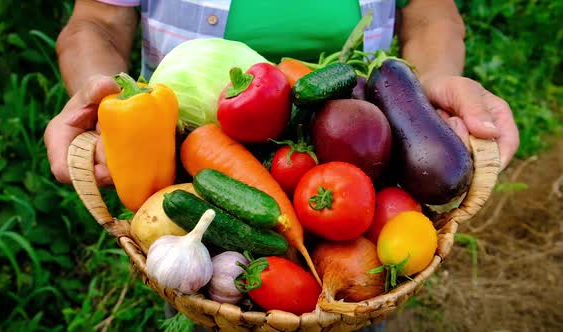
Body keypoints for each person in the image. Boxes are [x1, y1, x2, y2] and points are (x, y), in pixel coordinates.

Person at [44, 0, 519, 330]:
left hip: (365, 150)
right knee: (211, 296)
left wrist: (433, 83)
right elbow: (97, 20)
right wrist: (99, 93)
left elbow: (431, 14)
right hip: (185, 158)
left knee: (358, 298)